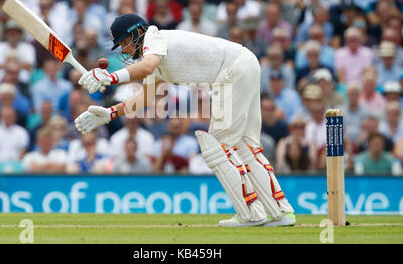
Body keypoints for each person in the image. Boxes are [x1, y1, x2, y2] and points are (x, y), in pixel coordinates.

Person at [74, 13, 295, 227]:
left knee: (218, 147)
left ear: (137, 33)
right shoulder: (155, 55)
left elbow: (147, 67)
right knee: (245, 146)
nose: (124, 50)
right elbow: (146, 96)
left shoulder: (154, 38)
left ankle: (252, 213)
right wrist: (111, 113)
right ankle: (281, 211)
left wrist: (111, 77)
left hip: (232, 72)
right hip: (243, 64)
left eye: (124, 43)